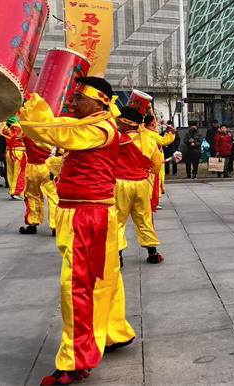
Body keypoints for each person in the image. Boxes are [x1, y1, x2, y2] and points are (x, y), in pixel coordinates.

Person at [19, 76, 129, 385]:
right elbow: (57, 129)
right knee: (105, 277)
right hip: (89, 212)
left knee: (77, 286)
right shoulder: (91, 125)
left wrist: (30, 105)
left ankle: (75, 359)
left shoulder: (98, 128)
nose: (72, 102)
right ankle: (113, 331)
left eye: (79, 98)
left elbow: (55, 131)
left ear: (100, 102)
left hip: (87, 216)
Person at [114, 107, 166, 264]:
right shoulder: (148, 141)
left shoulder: (116, 139)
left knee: (117, 220)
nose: (117, 125)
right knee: (144, 218)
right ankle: (153, 253)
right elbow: (156, 167)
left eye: (119, 122)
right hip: (142, 184)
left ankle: (117, 255)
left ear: (126, 123)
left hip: (120, 184)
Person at [19, 134, 58, 235]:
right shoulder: (51, 132)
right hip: (49, 167)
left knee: (32, 196)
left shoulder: (26, 131)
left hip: (32, 167)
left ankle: (32, 223)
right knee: (53, 197)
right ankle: (55, 226)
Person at [1, 118, 27, 199]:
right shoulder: (22, 130)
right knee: (19, 174)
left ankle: (12, 190)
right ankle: (17, 192)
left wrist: (4, 119)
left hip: (9, 153)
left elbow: (3, 125)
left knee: (10, 173)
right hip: (19, 153)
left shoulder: (6, 130)